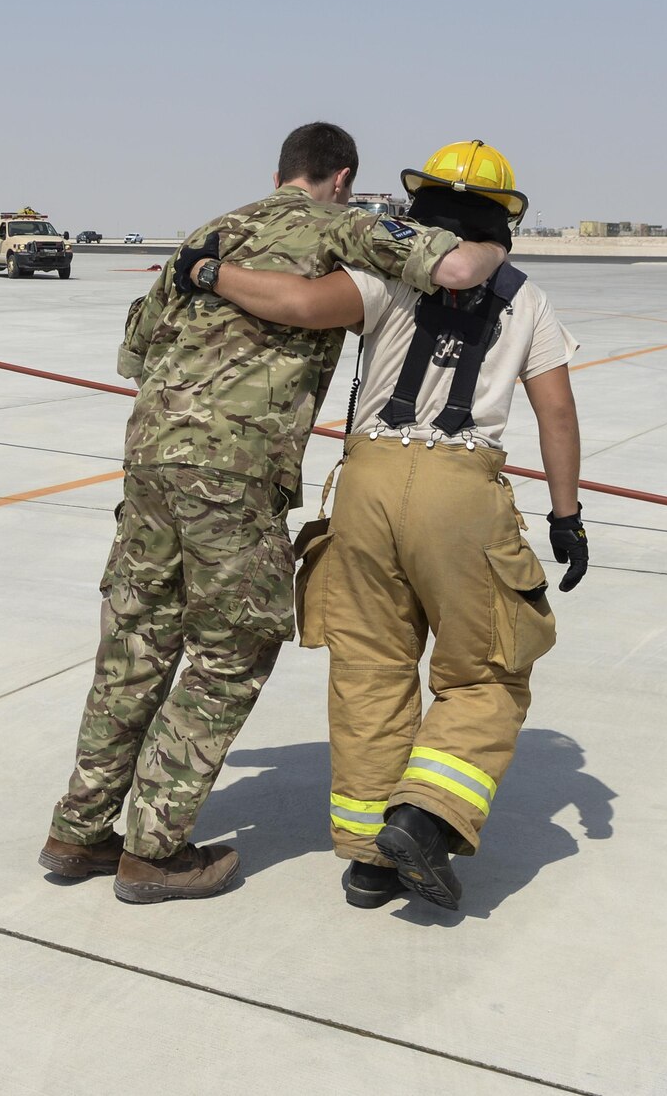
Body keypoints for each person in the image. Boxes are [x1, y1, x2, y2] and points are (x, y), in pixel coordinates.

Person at [39, 122, 510, 904]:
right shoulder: (343, 225)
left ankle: (79, 830)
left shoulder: (208, 232)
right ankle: (153, 848)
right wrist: (493, 244)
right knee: (233, 651)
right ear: (342, 177)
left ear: (283, 170)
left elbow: (134, 351)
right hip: (235, 470)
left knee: (137, 642)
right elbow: (456, 266)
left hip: (152, 459)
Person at [198, 139, 590, 913]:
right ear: (503, 215)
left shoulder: (385, 275)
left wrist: (211, 272)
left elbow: (300, 306)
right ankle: (424, 816)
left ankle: (370, 858)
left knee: (370, 667)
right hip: (460, 489)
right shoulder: (529, 300)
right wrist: (568, 516)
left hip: (367, 482)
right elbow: (556, 410)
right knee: (487, 671)